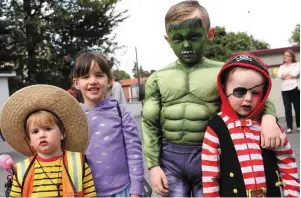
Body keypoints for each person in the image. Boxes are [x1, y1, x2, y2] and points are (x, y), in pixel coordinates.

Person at [142, 1, 284, 197]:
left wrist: (269, 119)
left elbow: (256, 98)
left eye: (194, 36)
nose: (186, 44)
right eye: (177, 38)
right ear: (168, 40)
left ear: (210, 34)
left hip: (211, 156)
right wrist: (153, 165)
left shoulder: (223, 73)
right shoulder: (157, 78)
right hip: (171, 160)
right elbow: (150, 124)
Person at [201, 53, 300, 197]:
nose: (248, 98)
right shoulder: (216, 128)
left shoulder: (270, 126)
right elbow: (210, 175)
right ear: (224, 89)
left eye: (255, 92)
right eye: (239, 91)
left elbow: (288, 165)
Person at [0, 84, 97, 197]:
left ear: (62, 133)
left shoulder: (79, 163)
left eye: (48, 129)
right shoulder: (21, 171)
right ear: (30, 140)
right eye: (35, 131)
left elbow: (91, 195)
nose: (42, 135)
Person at [72, 51, 144, 197]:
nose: (93, 81)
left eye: (99, 75)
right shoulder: (73, 116)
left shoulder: (121, 112)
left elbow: (134, 153)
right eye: (86, 77)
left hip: (122, 191)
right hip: (86, 192)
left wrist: (136, 191)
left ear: (109, 80)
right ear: (76, 83)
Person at [277, 50, 300, 133]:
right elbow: (280, 75)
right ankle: (289, 127)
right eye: (284, 55)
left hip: (295, 88)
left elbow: (296, 73)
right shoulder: (281, 67)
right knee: (287, 108)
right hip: (284, 90)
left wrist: (287, 75)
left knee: (297, 108)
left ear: (291, 57)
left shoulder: (297, 64)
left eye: (286, 55)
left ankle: (299, 125)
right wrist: (289, 74)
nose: (284, 57)